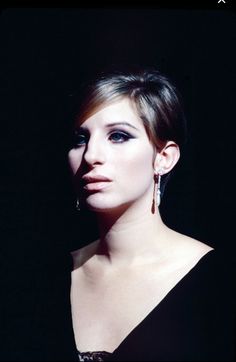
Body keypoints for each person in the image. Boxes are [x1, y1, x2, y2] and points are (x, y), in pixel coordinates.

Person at [67, 66, 235, 362]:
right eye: (81, 139)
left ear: (164, 157)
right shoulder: (45, 278)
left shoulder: (217, 281)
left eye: (118, 136)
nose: (91, 155)